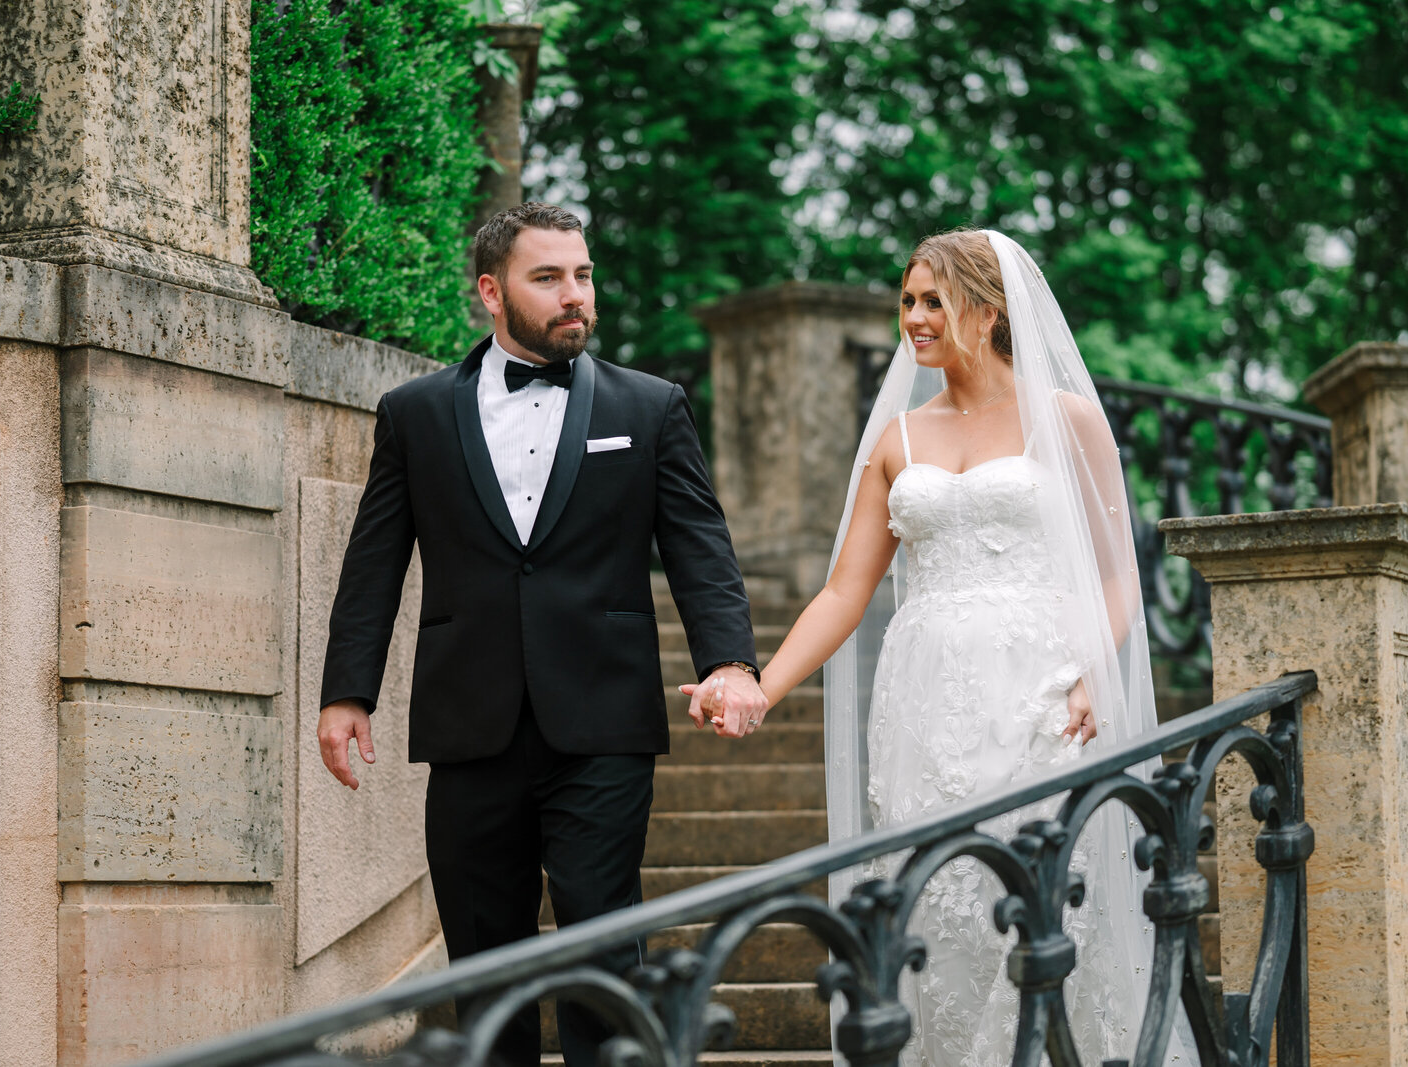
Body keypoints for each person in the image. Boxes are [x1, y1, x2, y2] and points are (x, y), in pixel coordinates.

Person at [691, 229, 1187, 1065]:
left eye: (933, 301)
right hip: (926, 705)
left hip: (1040, 693)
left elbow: (1119, 579)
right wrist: (760, 685)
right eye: (908, 300)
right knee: (941, 902)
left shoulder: (1065, 420)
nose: (914, 318)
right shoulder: (897, 440)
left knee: (1034, 899)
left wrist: (1093, 674)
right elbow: (843, 593)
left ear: (989, 312)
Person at [315, 202, 768, 1067]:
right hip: (468, 722)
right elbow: (373, 563)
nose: (576, 296)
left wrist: (732, 662)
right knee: (486, 963)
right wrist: (346, 692)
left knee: (602, 951)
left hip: (603, 721)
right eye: (549, 278)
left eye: (584, 275)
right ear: (492, 290)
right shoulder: (412, 414)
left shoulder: (653, 405)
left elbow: (701, 549)